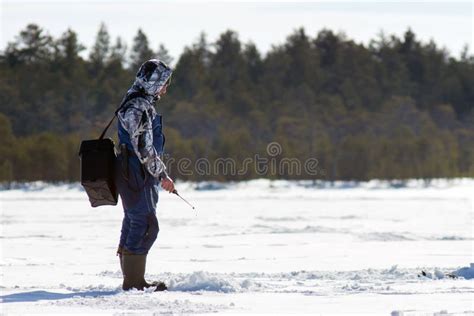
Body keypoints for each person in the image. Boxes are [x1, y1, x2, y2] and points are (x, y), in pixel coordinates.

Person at [114, 59, 175, 291]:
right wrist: (163, 175)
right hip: (136, 172)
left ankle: (133, 279)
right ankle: (134, 282)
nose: (165, 88)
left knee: (134, 221)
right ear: (152, 83)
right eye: (162, 83)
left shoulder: (138, 102)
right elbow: (143, 148)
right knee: (147, 224)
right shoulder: (138, 106)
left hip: (134, 171)